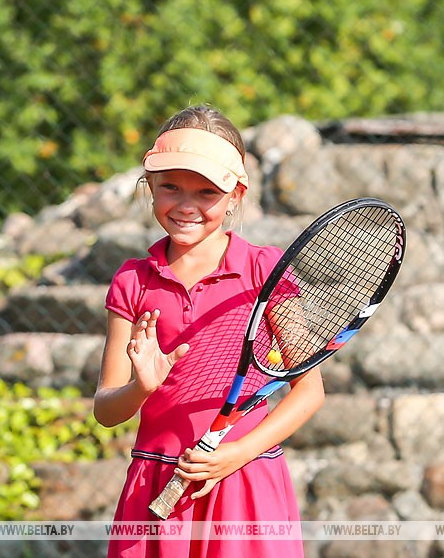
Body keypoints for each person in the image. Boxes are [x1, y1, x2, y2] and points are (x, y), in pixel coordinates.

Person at [94, 105, 325, 557]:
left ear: (236, 194)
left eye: (206, 192)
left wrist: (236, 455)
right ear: (150, 187)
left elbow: (309, 391)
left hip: (245, 482)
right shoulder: (131, 281)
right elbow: (106, 409)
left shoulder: (266, 270)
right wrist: (142, 387)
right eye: (171, 187)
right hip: (156, 486)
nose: (186, 205)